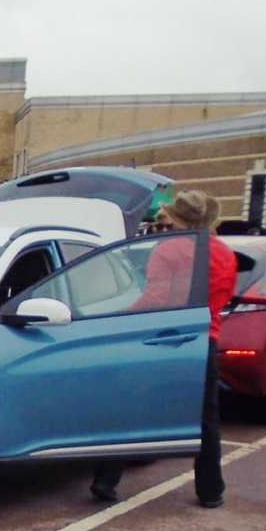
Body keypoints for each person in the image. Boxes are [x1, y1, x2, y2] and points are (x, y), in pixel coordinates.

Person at [91, 190, 234, 508]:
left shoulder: (168, 250)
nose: (165, 222)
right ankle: (211, 490)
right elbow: (223, 299)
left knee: (128, 408)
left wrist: (121, 316)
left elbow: (157, 299)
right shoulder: (225, 253)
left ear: (180, 219)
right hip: (203, 340)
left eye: (169, 217)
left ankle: (107, 478)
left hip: (159, 339)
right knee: (207, 419)